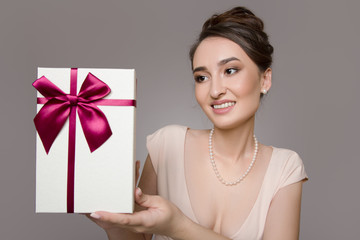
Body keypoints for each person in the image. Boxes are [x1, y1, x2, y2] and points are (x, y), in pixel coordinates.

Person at [87, 6, 308, 240]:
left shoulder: (284, 168)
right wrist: (113, 221)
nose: (215, 90)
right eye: (202, 77)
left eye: (230, 70)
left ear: (265, 79)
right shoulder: (167, 145)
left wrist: (178, 227)